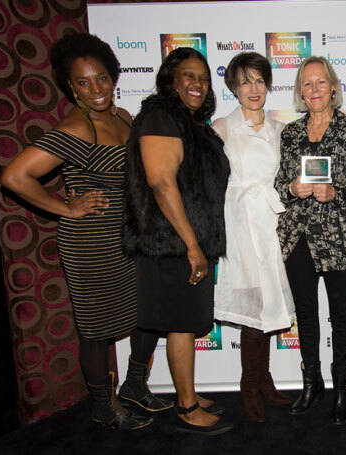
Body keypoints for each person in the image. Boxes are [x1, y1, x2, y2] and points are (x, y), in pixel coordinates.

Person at [1, 33, 169, 430]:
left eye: (102, 79)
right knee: (96, 328)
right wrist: (65, 207)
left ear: (114, 77)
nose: (95, 89)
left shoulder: (125, 117)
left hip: (133, 237)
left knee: (148, 314)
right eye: (83, 82)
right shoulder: (76, 128)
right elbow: (14, 176)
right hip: (91, 243)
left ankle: (134, 386)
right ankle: (102, 406)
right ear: (69, 86)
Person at [122, 47, 233, 435]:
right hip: (171, 245)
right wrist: (191, 244)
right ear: (170, 79)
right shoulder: (161, 116)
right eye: (188, 75)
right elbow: (161, 182)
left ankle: (189, 392)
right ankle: (186, 408)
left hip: (190, 241)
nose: (197, 84)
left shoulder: (188, 124)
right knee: (182, 326)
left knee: (184, 323)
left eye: (203, 78)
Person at [274, 56, 346, 424]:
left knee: (342, 316)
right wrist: (292, 188)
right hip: (298, 237)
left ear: (333, 87)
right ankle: (310, 383)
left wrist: (337, 193)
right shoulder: (291, 134)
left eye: (321, 82)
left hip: (339, 238)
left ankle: (342, 388)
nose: (314, 90)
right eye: (307, 84)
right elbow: (279, 186)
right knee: (307, 316)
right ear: (301, 91)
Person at [212, 52, 294, 423]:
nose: (253, 88)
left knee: (271, 306)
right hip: (241, 223)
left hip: (271, 225)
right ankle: (249, 385)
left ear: (268, 84)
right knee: (251, 308)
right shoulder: (222, 128)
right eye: (244, 81)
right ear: (232, 87)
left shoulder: (279, 130)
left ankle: (264, 379)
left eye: (259, 80)